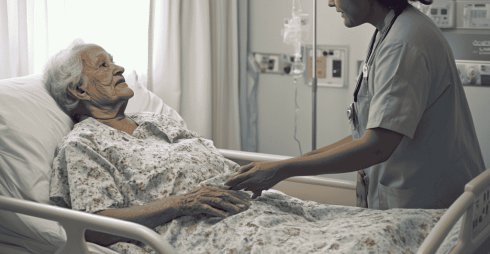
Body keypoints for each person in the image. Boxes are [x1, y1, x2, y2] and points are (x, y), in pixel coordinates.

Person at [226, 0, 485, 209]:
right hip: (426, 197)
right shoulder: (392, 29)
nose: (329, 3)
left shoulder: (403, 43)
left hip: (432, 205)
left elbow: (377, 147)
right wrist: (289, 163)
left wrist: (284, 170)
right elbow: (366, 135)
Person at [44, 42, 251, 246]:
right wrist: (182, 203)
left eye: (113, 62)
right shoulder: (83, 145)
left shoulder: (155, 120)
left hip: (250, 209)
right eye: (103, 65)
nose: (119, 68)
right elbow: (96, 227)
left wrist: (277, 169)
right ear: (80, 90)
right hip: (210, 233)